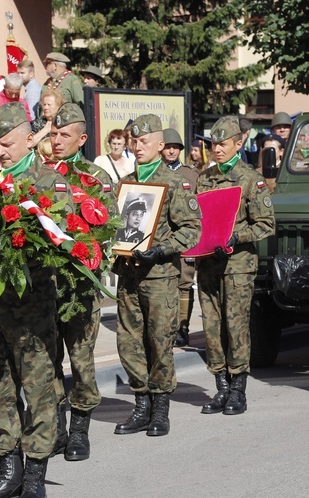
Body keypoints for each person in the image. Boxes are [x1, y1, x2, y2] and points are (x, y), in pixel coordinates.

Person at [0, 102, 70, 498]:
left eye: (8, 142)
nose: (2, 149)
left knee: (38, 387)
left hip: (31, 306)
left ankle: (34, 478)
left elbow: (66, 238)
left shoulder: (49, 180)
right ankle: (7, 474)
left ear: (31, 138)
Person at [112, 114, 201, 438]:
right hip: (129, 277)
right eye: (134, 141)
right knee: (129, 344)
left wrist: (162, 249)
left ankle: (160, 410)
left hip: (160, 277)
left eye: (144, 141)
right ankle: (141, 406)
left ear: (161, 145)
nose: (137, 146)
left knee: (159, 344)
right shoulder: (126, 184)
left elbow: (193, 230)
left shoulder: (175, 182)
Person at [195, 116, 275, 416]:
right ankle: (221, 387)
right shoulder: (205, 178)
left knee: (236, 325)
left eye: (223, 144)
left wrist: (236, 235)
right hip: (208, 265)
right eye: (213, 144)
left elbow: (266, 224)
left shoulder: (249, 179)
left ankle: (238, 389)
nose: (216, 149)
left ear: (239, 144)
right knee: (212, 327)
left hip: (238, 264)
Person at [47, 102, 113, 462]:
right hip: (48, 286)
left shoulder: (97, 179)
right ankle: (56, 429)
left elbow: (111, 227)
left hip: (81, 286)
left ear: (82, 138)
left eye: (64, 135)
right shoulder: (41, 174)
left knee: (81, 362)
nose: (56, 141)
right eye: (53, 134)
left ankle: (79, 431)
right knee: (48, 360)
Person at [160, 128, 199, 347]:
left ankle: (182, 327)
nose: (172, 151)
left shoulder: (191, 174)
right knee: (166, 283)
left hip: (185, 234)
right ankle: (166, 327)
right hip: (162, 235)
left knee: (185, 282)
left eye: (176, 147)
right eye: (168, 147)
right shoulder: (155, 172)